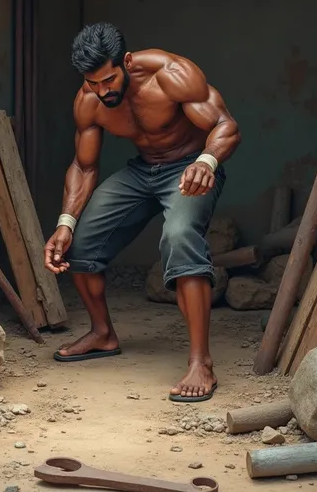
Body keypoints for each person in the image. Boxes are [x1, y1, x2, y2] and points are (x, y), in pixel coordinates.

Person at [44, 23, 241, 403]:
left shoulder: (171, 74)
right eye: (92, 82)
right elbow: (84, 167)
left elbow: (225, 125)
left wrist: (207, 161)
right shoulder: (88, 100)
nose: (103, 91)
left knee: (180, 237)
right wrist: (64, 223)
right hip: (141, 171)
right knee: (80, 243)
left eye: (108, 80)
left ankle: (201, 362)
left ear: (127, 62)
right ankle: (102, 334)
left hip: (191, 169)